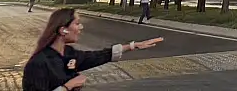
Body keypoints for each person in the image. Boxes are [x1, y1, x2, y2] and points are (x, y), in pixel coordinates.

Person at [22, 7, 163, 91]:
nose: (80, 28)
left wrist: (133, 46)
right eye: (77, 24)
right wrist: (67, 87)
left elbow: (99, 56)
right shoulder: (39, 63)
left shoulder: (69, 54)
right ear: (63, 30)